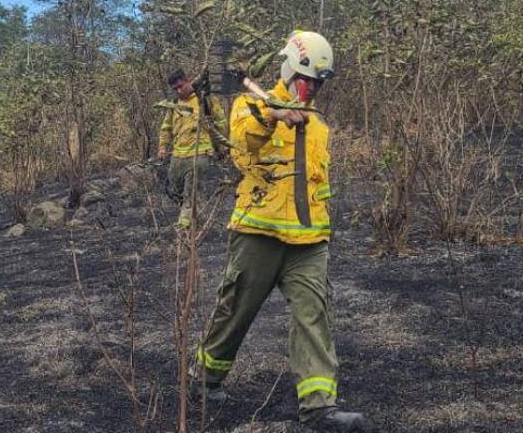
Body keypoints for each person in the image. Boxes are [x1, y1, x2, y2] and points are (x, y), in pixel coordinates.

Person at [191, 31, 374, 432]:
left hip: (309, 243)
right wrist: (272, 115)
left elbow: (318, 185)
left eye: (320, 84)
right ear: (290, 69)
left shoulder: (319, 127)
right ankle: (205, 379)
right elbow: (242, 143)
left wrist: (323, 227)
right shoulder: (250, 104)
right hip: (259, 234)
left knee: (314, 317)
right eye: (309, 81)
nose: (314, 90)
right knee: (235, 310)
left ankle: (319, 409)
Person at [157, 69, 225, 229]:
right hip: (178, 156)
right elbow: (166, 127)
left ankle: (185, 226)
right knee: (175, 189)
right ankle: (191, 214)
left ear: (188, 81)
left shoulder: (205, 100)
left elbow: (220, 123)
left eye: (181, 86)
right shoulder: (174, 104)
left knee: (191, 191)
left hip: (200, 154)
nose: (179, 91)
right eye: (175, 89)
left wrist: (221, 147)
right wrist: (162, 147)